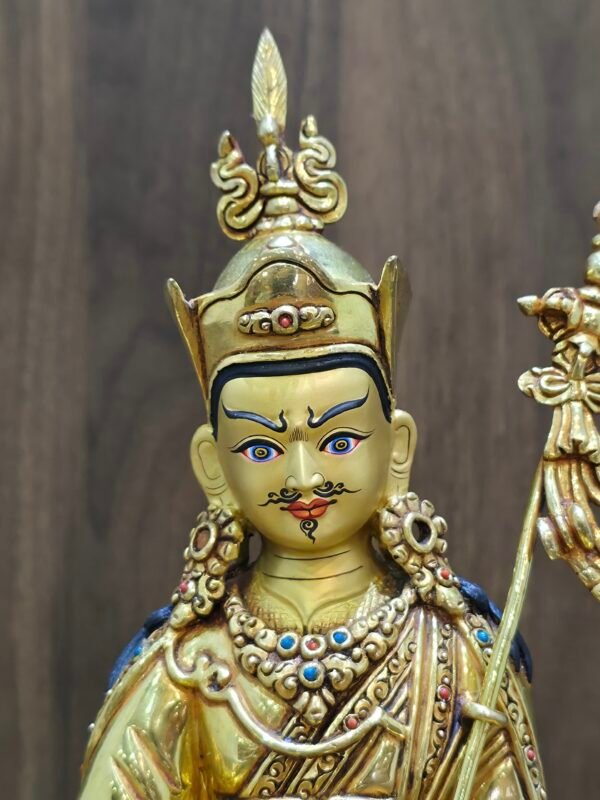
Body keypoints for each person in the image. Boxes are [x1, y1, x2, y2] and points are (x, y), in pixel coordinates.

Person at [78, 30, 545, 800]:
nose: (303, 476)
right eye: (261, 449)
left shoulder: (458, 656)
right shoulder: (185, 668)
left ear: (397, 447)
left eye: (336, 438)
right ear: (212, 465)